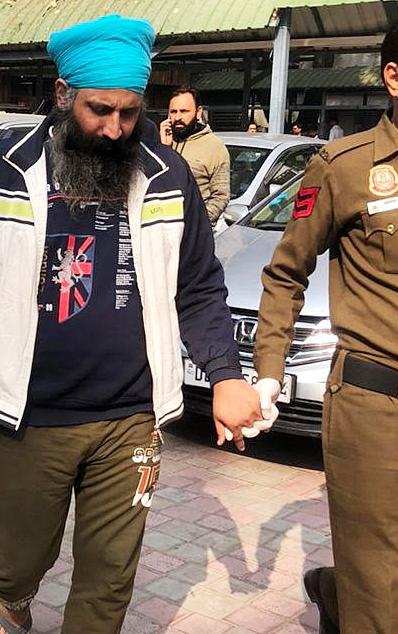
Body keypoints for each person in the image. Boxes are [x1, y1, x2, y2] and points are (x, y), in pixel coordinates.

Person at [0, 15, 263, 634]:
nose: (115, 129)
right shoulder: (9, 171)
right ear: (63, 94)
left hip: (130, 418)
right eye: (99, 110)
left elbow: (198, 285)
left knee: (109, 580)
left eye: (129, 112)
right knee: (11, 567)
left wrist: (226, 374)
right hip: (29, 418)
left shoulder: (166, 175)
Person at [253, 6, 398, 634]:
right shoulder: (342, 167)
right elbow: (285, 272)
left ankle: (337, 593)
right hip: (374, 410)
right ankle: (359, 603)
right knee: (377, 594)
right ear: (395, 78)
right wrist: (269, 373)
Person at [159, 87, 230, 228]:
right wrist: (163, 149)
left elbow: (221, 196)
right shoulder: (163, 142)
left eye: (184, 111)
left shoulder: (214, 147)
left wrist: (198, 226)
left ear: (198, 112)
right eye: (173, 112)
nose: (178, 117)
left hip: (194, 234)